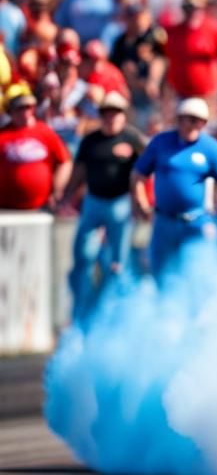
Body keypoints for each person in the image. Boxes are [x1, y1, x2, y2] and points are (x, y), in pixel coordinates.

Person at [130, 97, 217, 276]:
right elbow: (138, 174)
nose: (191, 125)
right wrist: (140, 201)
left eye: (197, 120)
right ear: (178, 120)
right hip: (164, 222)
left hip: (196, 223)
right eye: (187, 119)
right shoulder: (161, 142)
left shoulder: (210, 148)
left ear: (204, 123)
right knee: (161, 274)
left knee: (195, 276)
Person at [62, 91, 145, 318]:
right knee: (84, 254)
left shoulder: (132, 138)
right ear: (101, 115)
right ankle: (81, 310)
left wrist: (141, 201)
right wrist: (66, 196)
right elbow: (78, 170)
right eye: (107, 113)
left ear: (123, 115)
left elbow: (145, 171)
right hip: (94, 201)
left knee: (118, 261)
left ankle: (115, 311)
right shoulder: (91, 140)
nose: (111, 118)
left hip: (120, 203)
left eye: (116, 113)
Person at [0, 89, 71, 210]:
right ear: (10, 112)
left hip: (40, 206)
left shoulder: (45, 132)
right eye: (20, 108)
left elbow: (65, 162)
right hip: (6, 206)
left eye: (28, 107)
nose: (25, 112)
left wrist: (57, 189)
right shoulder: (3, 134)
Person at [164, 0, 217, 104]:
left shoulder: (213, 29)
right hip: (179, 92)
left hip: (207, 92)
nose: (192, 11)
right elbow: (166, 60)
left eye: (196, 8)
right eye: (188, 8)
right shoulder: (173, 32)